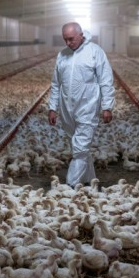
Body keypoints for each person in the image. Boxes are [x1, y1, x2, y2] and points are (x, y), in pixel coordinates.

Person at [48, 22, 115, 187]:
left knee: (80, 147)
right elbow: (56, 84)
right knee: (79, 146)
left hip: (88, 106)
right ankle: (89, 181)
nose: (68, 43)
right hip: (67, 109)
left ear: (81, 35)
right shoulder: (62, 55)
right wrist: (52, 108)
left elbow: (105, 80)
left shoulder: (94, 52)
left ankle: (71, 186)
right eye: (65, 40)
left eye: (71, 39)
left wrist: (107, 106)